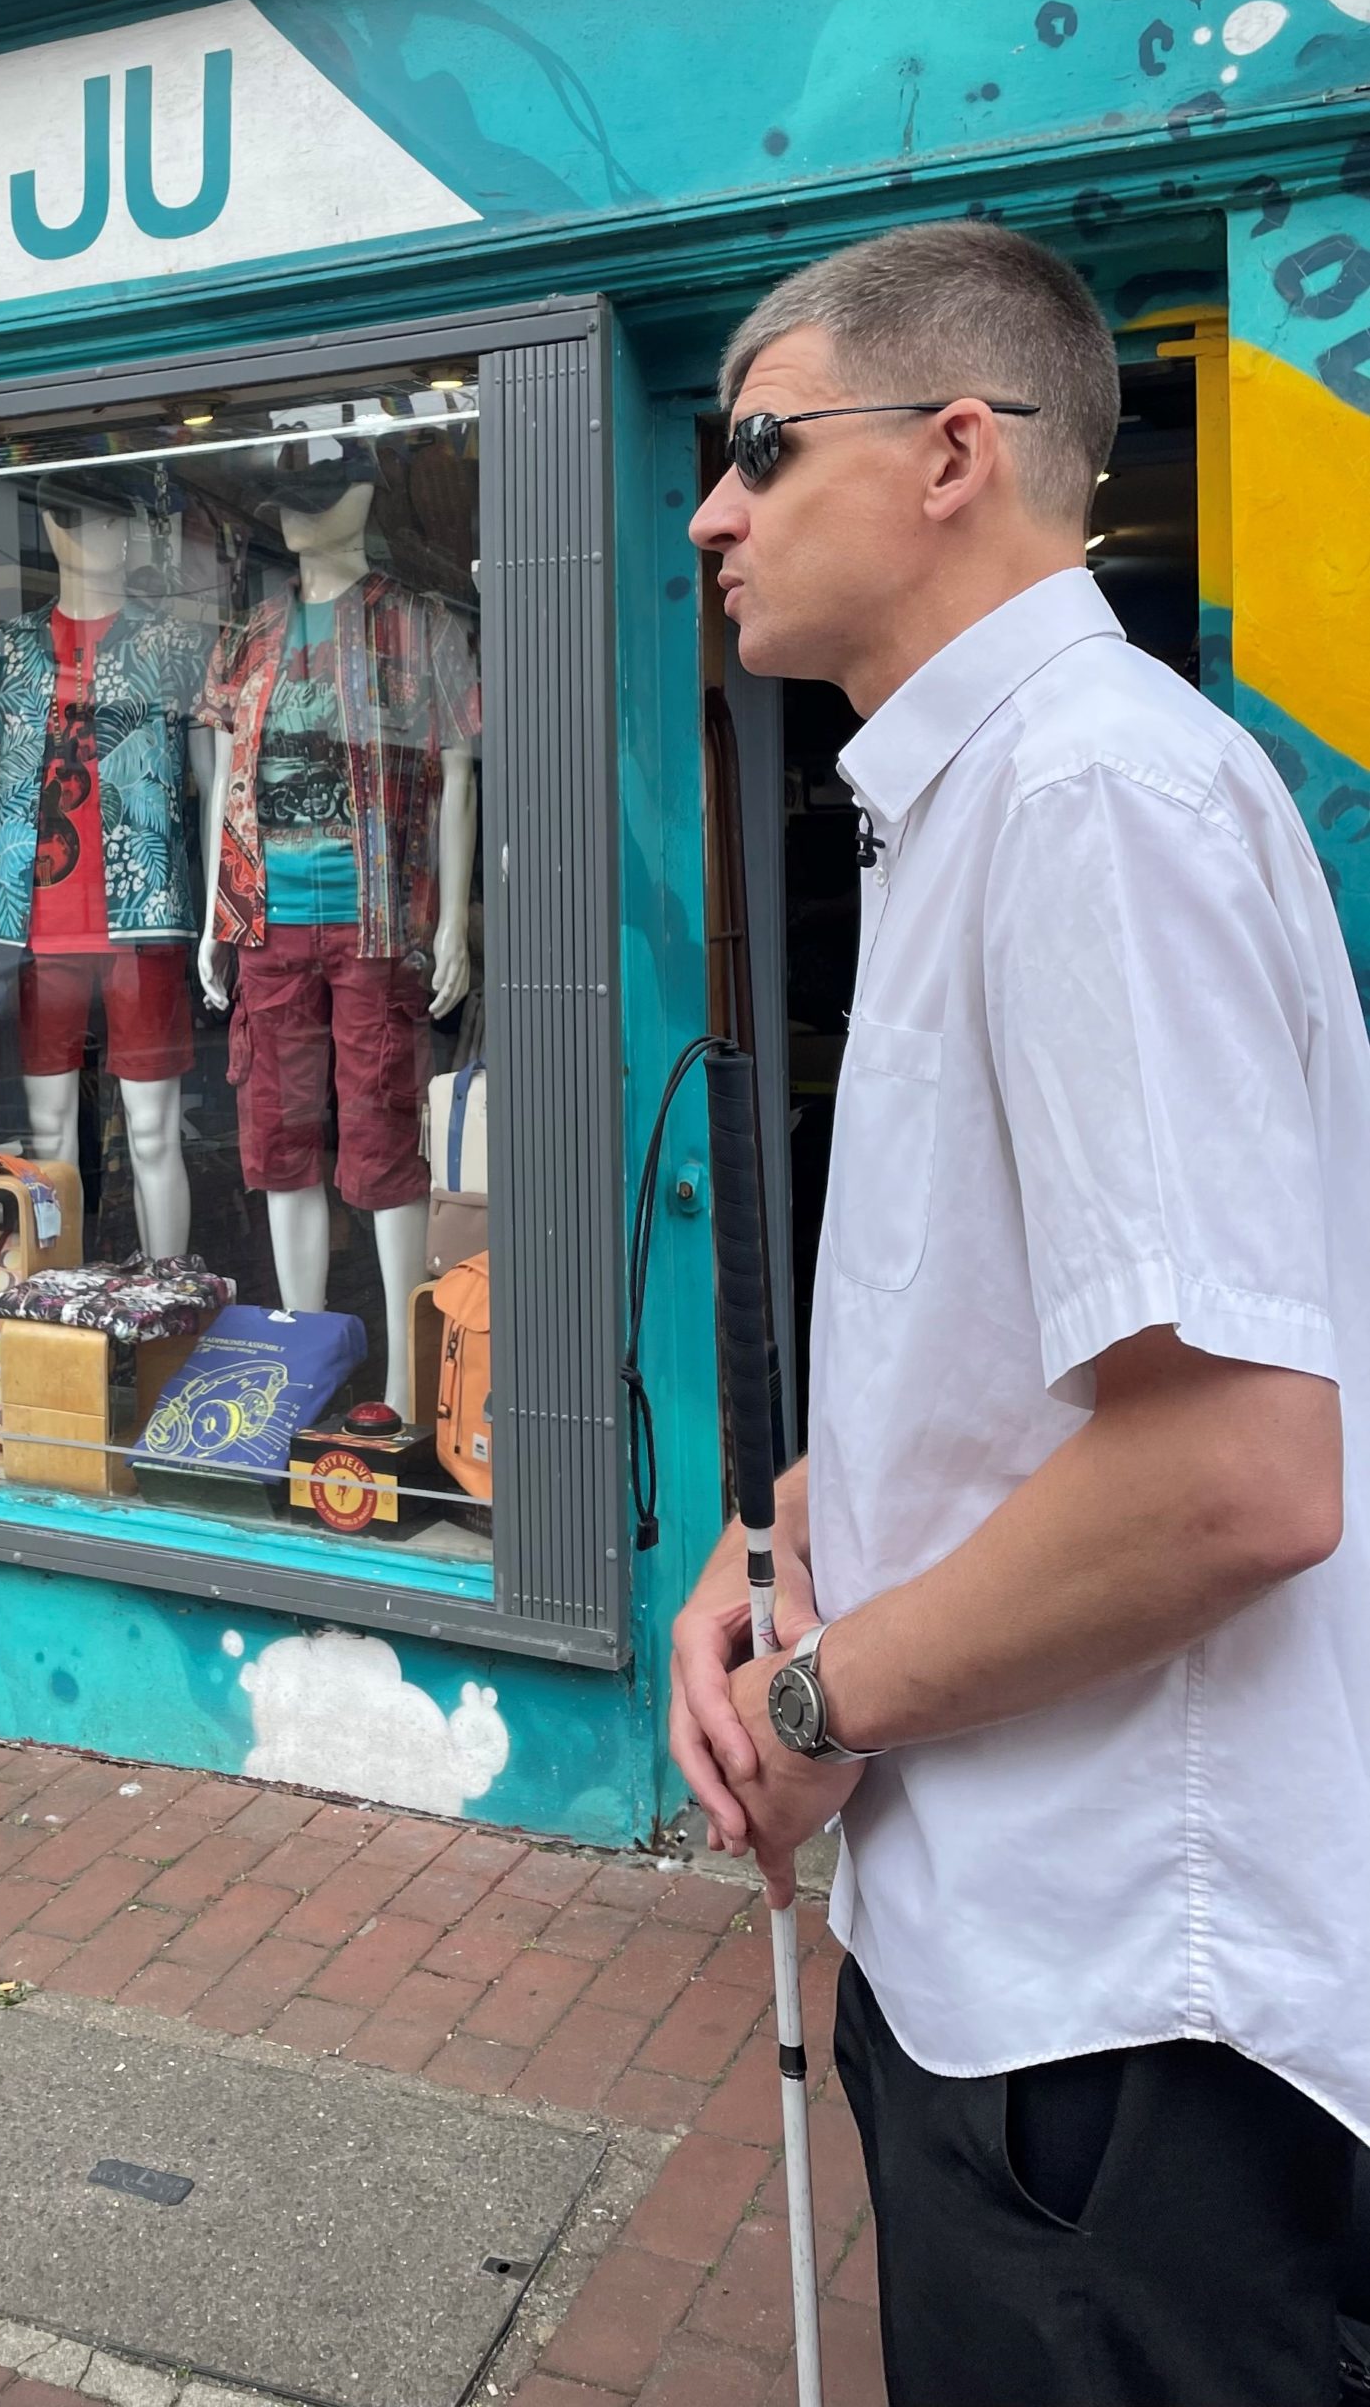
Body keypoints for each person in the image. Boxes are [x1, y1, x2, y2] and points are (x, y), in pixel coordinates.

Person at [673, 219, 1370, 2407]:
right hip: (1022, 1969)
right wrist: (781, 1535)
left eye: (763, 444)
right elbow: (1010, 1358)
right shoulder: (986, 792)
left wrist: (813, 1707)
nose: (711, 507)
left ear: (956, 448)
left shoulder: (1085, 793)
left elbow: (1233, 1478)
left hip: (1118, 2022)